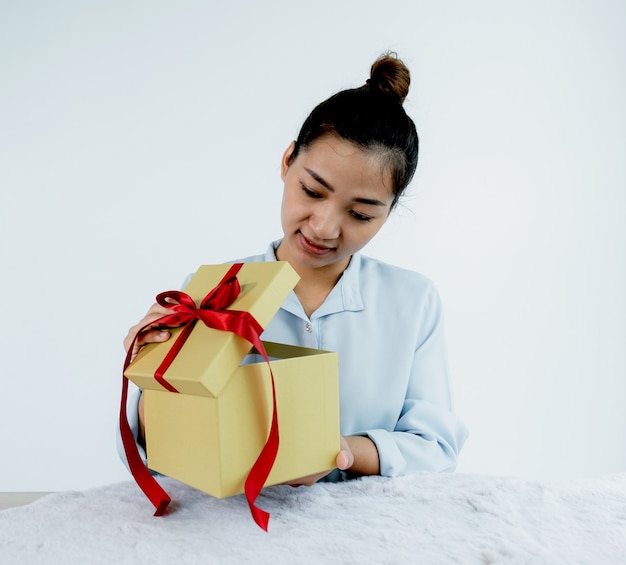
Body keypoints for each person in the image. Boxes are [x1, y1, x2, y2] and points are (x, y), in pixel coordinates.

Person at [119, 52, 468, 488]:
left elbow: (436, 448)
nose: (324, 228)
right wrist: (153, 374)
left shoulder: (413, 301)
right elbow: (157, 452)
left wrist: (340, 450)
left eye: (360, 214)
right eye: (311, 190)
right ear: (287, 161)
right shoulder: (213, 293)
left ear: (389, 213)